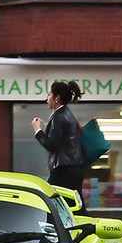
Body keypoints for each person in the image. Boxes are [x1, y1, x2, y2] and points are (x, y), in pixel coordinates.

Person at [31, 80, 87, 215]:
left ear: (57, 98)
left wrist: (38, 131)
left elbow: (51, 144)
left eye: (49, 94)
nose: (46, 98)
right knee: (75, 208)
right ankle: (86, 232)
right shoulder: (68, 114)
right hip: (74, 169)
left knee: (50, 204)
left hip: (62, 170)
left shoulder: (58, 116)